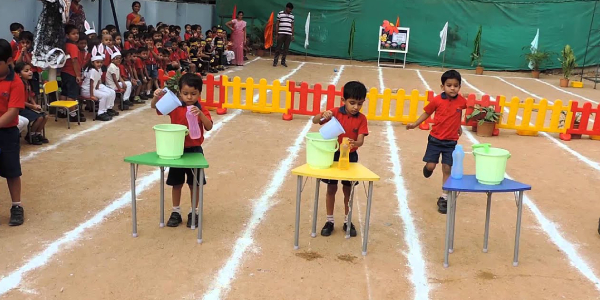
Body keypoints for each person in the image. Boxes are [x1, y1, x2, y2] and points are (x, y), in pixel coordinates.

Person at [150, 73, 213, 228]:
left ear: (199, 93)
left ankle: (194, 212)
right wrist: (156, 96)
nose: (189, 97)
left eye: (193, 94)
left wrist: (201, 116)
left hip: (195, 151)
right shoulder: (174, 106)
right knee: (176, 183)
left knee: (194, 184)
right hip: (176, 151)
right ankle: (176, 212)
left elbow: (209, 126)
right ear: (179, 92)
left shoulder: (200, 108)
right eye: (185, 94)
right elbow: (155, 107)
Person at [312, 81, 369, 237]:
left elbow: (360, 141)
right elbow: (315, 121)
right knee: (331, 188)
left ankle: (347, 220)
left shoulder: (362, 119)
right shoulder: (335, 112)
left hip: (350, 157)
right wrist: (323, 114)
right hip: (333, 155)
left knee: (348, 190)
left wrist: (354, 143)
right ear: (343, 100)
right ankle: (329, 221)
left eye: (360, 103)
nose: (355, 107)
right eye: (352, 103)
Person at [406, 70, 467, 214]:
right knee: (431, 165)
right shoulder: (437, 100)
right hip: (435, 139)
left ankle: (444, 197)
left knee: (447, 168)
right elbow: (427, 112)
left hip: (451, 141)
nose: (452, 88)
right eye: (449, 85)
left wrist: (458, 126)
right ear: (442, 86)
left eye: (456, 85)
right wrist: (415, 124)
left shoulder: (462, 101)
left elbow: (458, 113)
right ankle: (428, 168)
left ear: (459, 86)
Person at [0, 39, 26, 226]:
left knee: (12, 171)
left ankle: (16, 206)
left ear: (8, 60)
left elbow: (13, 111)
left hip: (7, 133)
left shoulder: (15, 82)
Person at [15, 62, 49, 145]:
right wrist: (33, 106)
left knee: (46, 116)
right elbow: (21, 101)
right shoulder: (19, 85)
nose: (30, 72)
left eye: (30, 70)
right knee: (39, 118)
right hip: (20, 109)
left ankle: (37, 134)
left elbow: (30, 96)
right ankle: (30, 135)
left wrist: (35, 104)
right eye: (26, 71)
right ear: (19, 74)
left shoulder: (28, 83)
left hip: (27, 106)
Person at [81, 54, 117, 121]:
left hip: (92, 89)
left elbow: (97, 79)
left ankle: (105, 110)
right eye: (97, 62)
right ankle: (100, 113)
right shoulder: (92, 70)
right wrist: (91, 95)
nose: (99, 64)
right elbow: (91, 83)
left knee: (110, 93)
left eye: (101, 62)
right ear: (92, 63)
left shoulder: (98, 69)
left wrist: (98, 87)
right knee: (104, 96)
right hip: (87, 91)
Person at [61, 24, 86, 122]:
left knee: (64, 92)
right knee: (72, 94)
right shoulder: (73, 47)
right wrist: (78, 75)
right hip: (71, 73)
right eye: (73, 34)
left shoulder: (65, 45)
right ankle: (72, 114)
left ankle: (62, 111)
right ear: (67, 35)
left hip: (64, 72)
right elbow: (74, 60)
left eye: (77, 33)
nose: (76, 36)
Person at [273, 2, 295, 67]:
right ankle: (275, 61)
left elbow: (292, 26)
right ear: (286, 8)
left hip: (288, 34)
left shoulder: (292, 16)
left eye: (291, 9)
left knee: (286, 49)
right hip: (281, 34)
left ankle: (283, 61)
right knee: (278, 48)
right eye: (289, 9)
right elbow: (277, 24)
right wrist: (277, 34)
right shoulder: (280, 14)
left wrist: (292, 35)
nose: (290, 10)